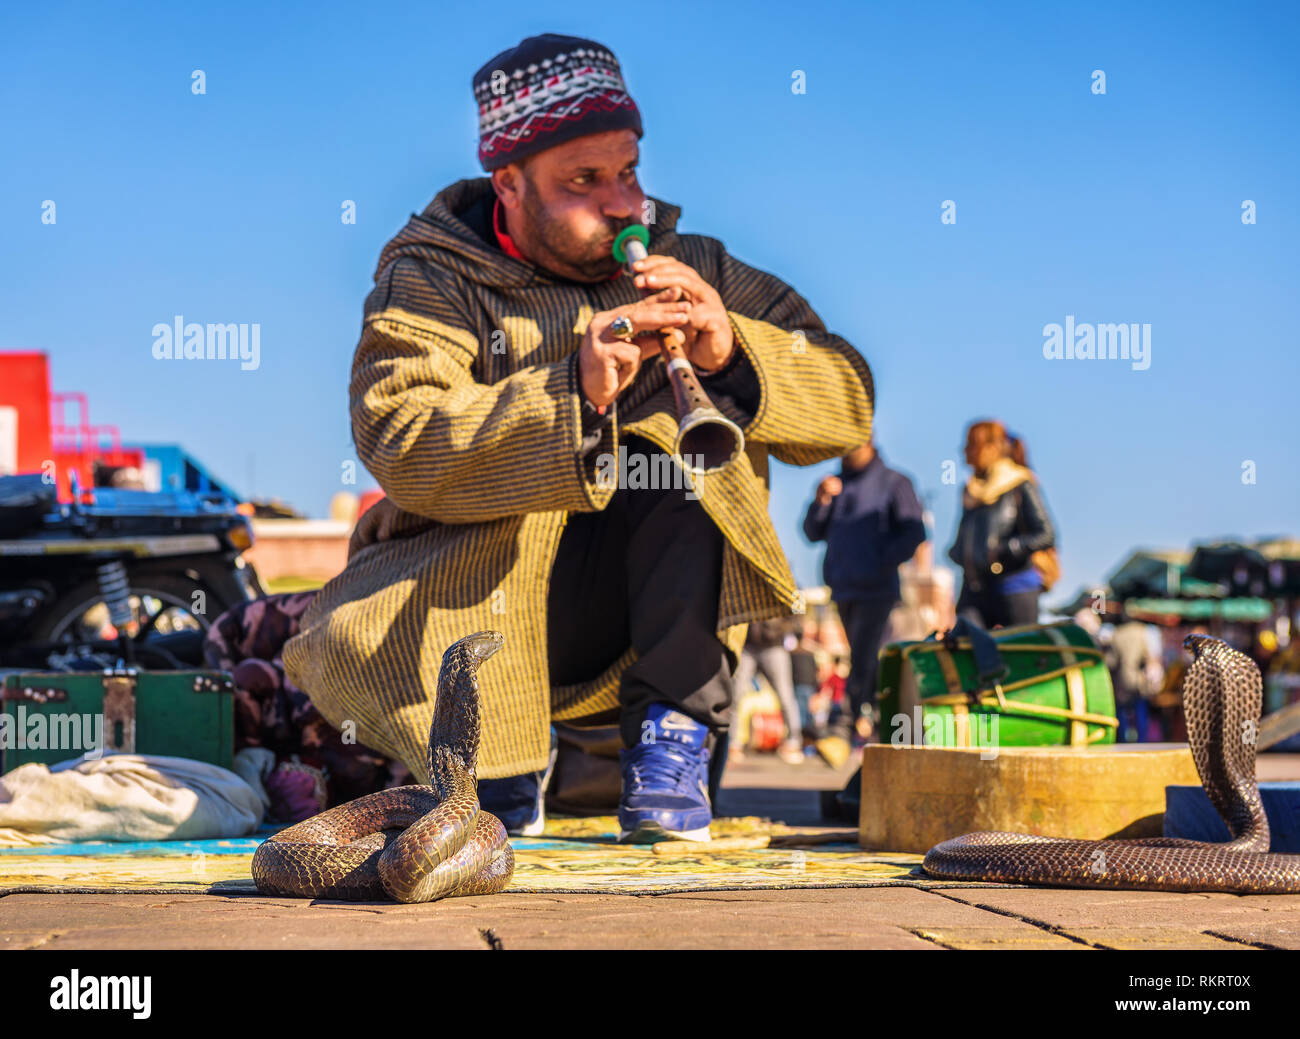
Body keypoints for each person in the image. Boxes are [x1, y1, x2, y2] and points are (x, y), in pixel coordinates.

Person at [282, 34, 875, 844]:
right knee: (541, 467)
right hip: (466, 609)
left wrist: (730, 349)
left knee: (679, 446)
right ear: (510, 184)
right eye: (584, 181)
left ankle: (672, 737)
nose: (624, 203)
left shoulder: (692, 261)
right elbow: (400, 435)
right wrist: (575, 395)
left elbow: (850, 401)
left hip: (638, 616)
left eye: (628, 171)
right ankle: (493, 761)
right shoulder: (430, 276)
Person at [802, 440, 926, 740]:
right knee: (860, 655)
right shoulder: (836, 485)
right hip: (844, 587)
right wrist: (820, 503)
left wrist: (880, 561)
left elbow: (915, 531)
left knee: (868, 654)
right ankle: (869, 720)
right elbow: (811, 532)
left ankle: (850, 721)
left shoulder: (895, 482)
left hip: (877, 588)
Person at [947, 420, 1055, 629]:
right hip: (975, 590)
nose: (965, 452)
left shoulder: (1019, 483)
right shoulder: (971, 491)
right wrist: (958, 553)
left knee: (1017, 653)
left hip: (1015, 588)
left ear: (992, 448)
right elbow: (964, 536)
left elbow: (1046, 534)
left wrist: (1003, 550)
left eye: (971, 445)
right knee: (965, 643)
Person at [733, 616, 804, 765]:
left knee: (785, 696)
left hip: (774, 644)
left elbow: (796, 609)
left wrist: (788, 631)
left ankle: (793, 742)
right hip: (747, 645)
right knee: (735, 695)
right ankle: (733, 744)